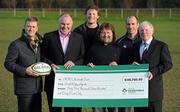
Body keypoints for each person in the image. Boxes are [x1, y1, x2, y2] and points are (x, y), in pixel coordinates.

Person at [42, 13, 85, 112]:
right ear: (58, 23)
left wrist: (74, 63)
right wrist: (50, 64)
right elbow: (42, 56)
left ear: (72, 24)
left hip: (73, 84)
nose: (65, 26)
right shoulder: (49, 37)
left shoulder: (79, 38)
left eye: (68, 24)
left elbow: (83, 57)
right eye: (62, 24)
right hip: (53, 81)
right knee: (54, 110)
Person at [4, 16, 43, 112]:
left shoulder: (40, 42)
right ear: (24, 27)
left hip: (37, 89)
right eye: (28, 26)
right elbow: (8, 63)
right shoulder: (16, 44)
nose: (31, 29)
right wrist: (25, 70)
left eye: (33, 27)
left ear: (37, 28)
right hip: (24, 89)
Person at [133, 21, 173, 112]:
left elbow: (168, 64)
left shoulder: (161, 46)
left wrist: (153, 72)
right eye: (141, 30)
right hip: (138, 91)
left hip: (154, 92)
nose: (144, 32)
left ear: (152, 30)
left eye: (146, 30)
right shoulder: (135, 46)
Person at [86, 23, 120, 112]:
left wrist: (117, 65)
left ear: (113, 34)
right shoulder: (93, 48)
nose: (106, 35)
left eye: (108, 33)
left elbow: (125, 66)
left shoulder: (118, 48)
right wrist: (88, 66)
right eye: (103, 33)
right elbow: (85, 63)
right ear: (99, 34)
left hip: (114, 89)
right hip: (97, 89)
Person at [115, 16, 141, 112]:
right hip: (125, 81)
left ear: (138, 25)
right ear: (125, 25)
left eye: (133, 24)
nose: (131, 26)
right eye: (128, 24)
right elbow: (115, 59)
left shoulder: (144, 40)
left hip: (140, 80)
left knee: (140, 108)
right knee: (125, 109)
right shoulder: (119, 42)